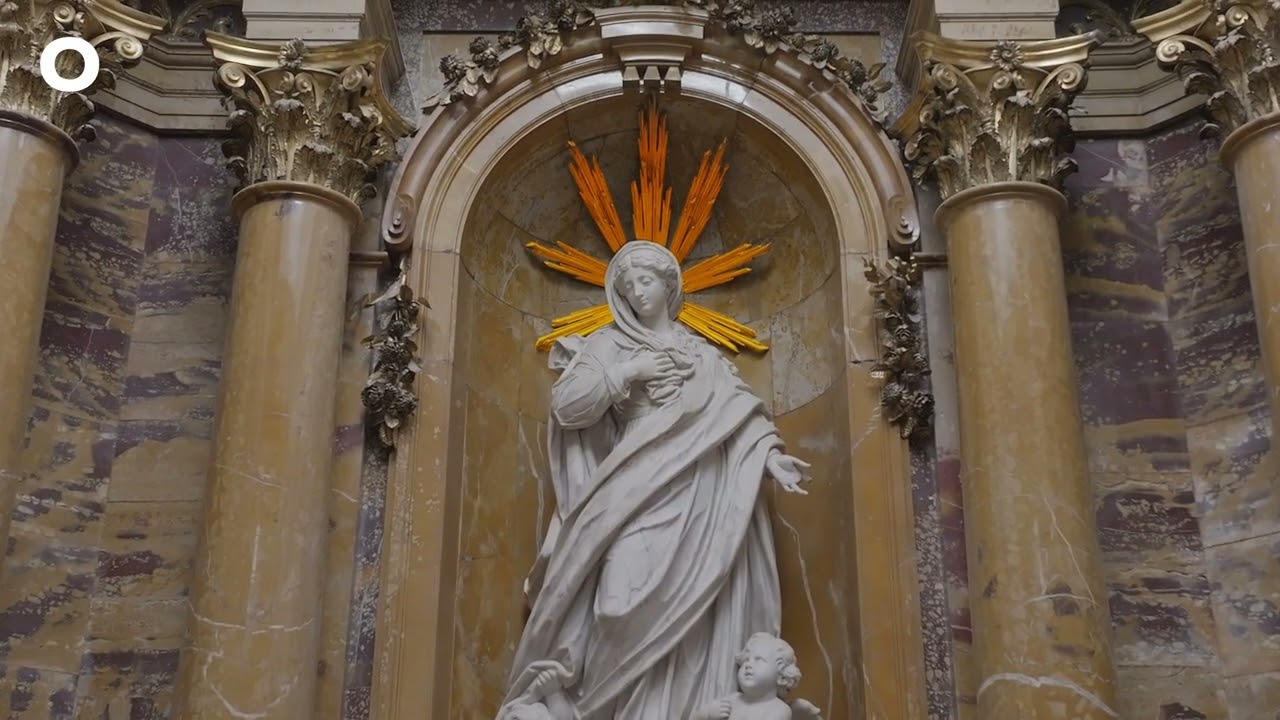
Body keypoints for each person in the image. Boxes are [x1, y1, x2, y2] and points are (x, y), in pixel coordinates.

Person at [497, 241, 811, 720]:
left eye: (645, 282)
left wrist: (771, 458)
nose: (637, 293)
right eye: (627, 286)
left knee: (696, 605)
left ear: (669, 285)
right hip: (633, 477)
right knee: (616, 604)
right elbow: (569, 407)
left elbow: (738, 413)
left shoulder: (700, 352)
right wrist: (629, 371)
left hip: (699, 486)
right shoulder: (610, 343)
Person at [693, 633, 821, 720]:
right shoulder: (733, 699)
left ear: (781, 677)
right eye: (746, 660)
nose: (748, 665)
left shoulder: (778, 710)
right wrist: (706, 714)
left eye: (758, 660)